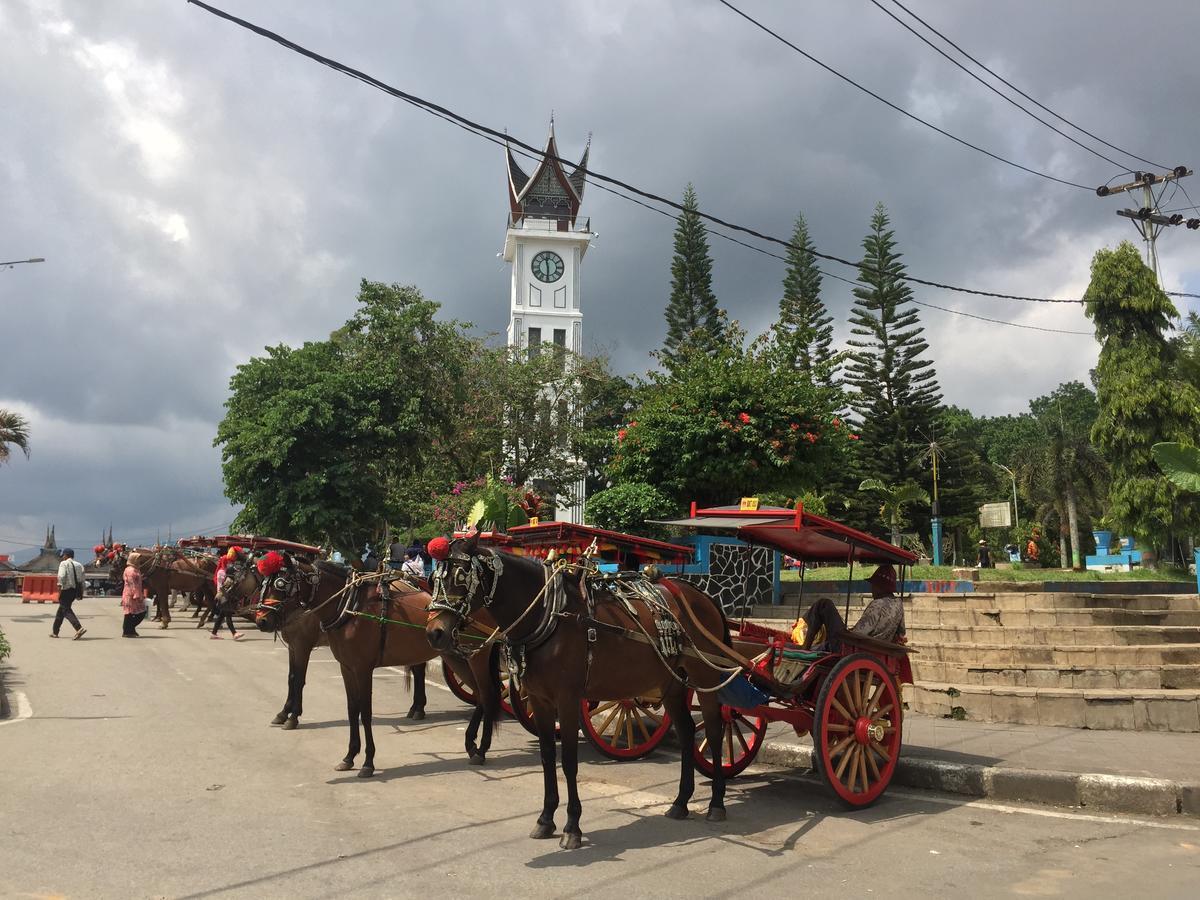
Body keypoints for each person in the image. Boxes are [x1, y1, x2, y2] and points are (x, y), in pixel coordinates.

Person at [798, 564, 906, 650]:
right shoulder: (899, 604)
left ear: (880, 587)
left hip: (854, 647)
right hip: (873, 646)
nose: (872, 589)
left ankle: (805, 647)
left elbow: (860, 632)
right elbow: (901, 635)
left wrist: (847, 631)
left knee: (824, 604)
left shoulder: (877, 604)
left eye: (874, 586)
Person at [51, 548, 87, 640]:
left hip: (66, 590)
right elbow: (82, 580)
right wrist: (81, 591)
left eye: (63, 555)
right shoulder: (79, 565)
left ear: (66, 555)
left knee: (66, 610)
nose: (63, 557)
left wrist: (59, 587)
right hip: (74, 591)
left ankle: (78, 628)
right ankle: (55, 631)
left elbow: (61, 576)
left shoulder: (64, 563)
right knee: (61, 610)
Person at [120, 559, 148, 637]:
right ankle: (128, 630)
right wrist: (136, 594)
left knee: (133, 613)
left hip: (134, 593)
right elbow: (132, 583)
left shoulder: (135, 569)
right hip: (131, 594)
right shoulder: (131, 571)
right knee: (132, 613)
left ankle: (130, 630)